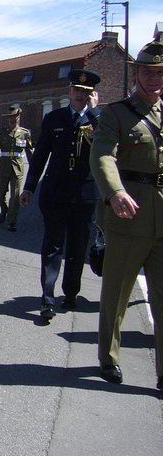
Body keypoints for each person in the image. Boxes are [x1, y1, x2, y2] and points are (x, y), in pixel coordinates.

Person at [89, 40, 163, 390]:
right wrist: (115, 191)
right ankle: (109, 358)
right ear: (137, 74)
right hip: (128, 218)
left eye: (160, 73)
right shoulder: (116, 114)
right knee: (116, 296)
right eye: (148, 72)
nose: (154, 79)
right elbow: (102, 155)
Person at [20, 69, 102, 319]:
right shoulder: (54, 118)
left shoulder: (99, 119)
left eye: (85, 92)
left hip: (85, 194)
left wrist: (95, 112)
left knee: (78, 247)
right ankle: (47, 297)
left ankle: (71, 293)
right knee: (53, 246)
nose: (80, 95)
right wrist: (29, 186)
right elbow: (41, 155)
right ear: (70, 91)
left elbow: (108, 148)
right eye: (77, 90)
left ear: (91, 95)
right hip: (55, 192)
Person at [0, 107, 33, 231]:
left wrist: (34, 166)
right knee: (0, 193)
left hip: (17, 167)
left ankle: (12, 221)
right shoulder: (1, 132)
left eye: (14, 116)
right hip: (3, 166)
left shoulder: (24, 133)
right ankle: (4, 210)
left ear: (18, 117)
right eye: (10, 117)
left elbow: (29, 151)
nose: (12, 119)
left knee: (15, 196)